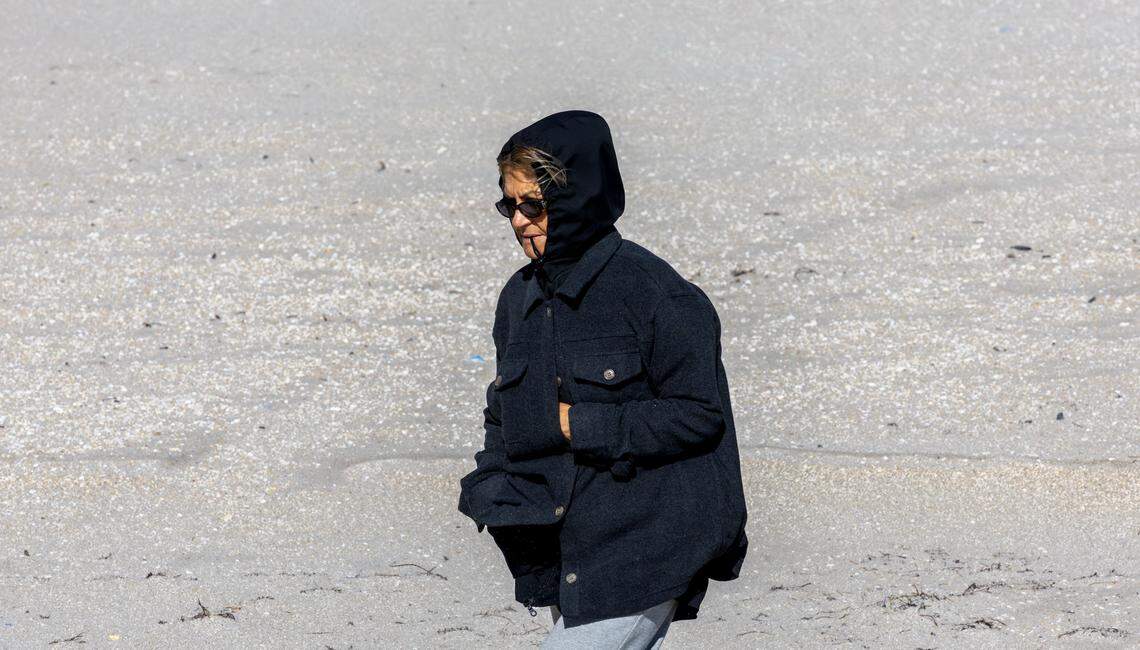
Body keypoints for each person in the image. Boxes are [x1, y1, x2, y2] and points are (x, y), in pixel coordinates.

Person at [458, 110, 748, 648]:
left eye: (534, 205)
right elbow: (503, 411)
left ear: (575, 201)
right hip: (565, 546)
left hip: (649, 543)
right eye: (509, 206)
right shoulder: (518, 299)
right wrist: (490, 484)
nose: (520, 221)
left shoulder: (659, 296)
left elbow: (699, 416)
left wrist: (574, 424)